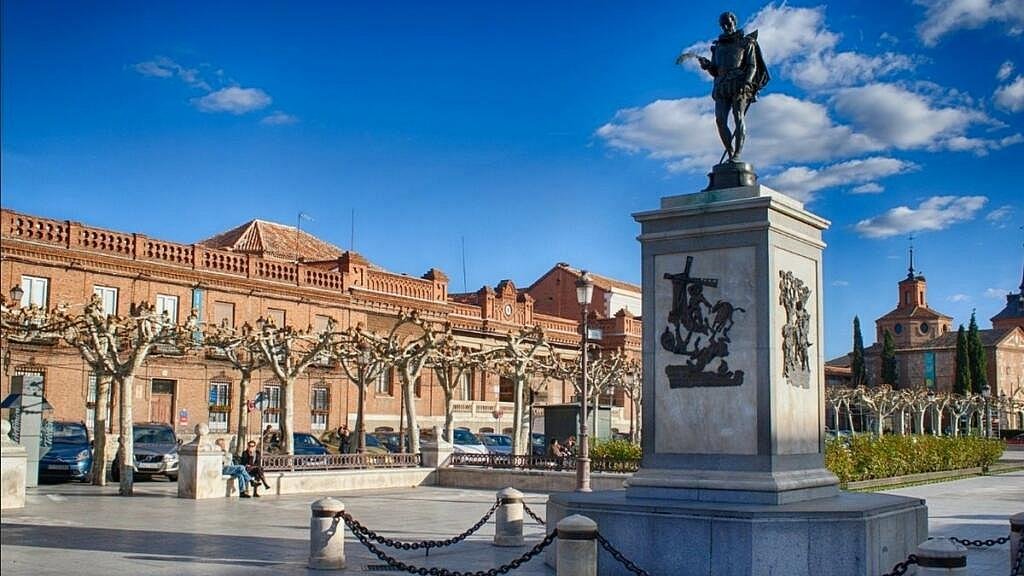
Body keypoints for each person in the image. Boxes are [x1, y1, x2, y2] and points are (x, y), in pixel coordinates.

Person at [685, 11, 769, 163]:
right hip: (722, 84)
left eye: (728, 24)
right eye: (722, 25)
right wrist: (708, 66)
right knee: (720, 120)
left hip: (739, 83)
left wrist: (747, 82)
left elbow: (752, 65)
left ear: (734, 22)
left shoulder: (746, 42)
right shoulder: (718, 47)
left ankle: (737, 154)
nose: (725, 27)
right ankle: (730, 152)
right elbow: (715, 70)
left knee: (738, 116)